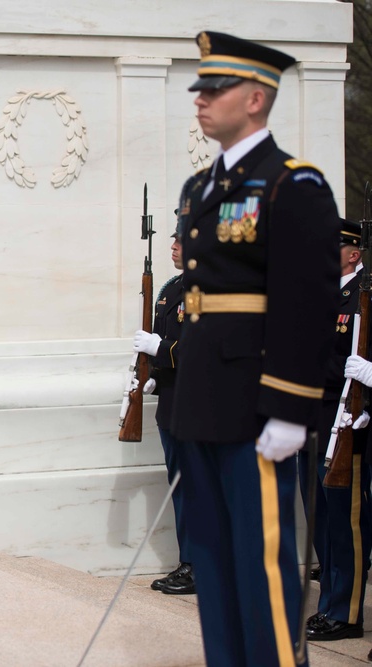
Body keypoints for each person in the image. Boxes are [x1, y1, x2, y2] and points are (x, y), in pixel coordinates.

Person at [171, 32, 339, 666]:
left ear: (257, 98)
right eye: (200, 90)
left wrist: (292, 406)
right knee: (211, 556)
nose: (202, 101)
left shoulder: (292, 183)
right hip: (205, 397)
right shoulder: (199, 188)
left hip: (257, 402)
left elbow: (307, 302)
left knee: (261, 557)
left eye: (215, 90)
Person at [298, 218, 371, 643]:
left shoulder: (364, 295)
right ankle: (329, 603)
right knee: (320, 515)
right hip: (310, 412)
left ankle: (346, 611)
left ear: (353, 253)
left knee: (346, 517)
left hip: (343, 413)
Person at [134, 182, 195, 596]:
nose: (173, 246)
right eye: (172, 239)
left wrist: (162, 350)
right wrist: (151, 373)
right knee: (180, 487)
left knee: (194, 488)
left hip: (196, 407)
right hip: (171, 404)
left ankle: (197, 563)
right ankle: (187, 560)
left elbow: (200, 350)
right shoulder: (172, 289)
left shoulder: (206, 289)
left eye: (180, 239)